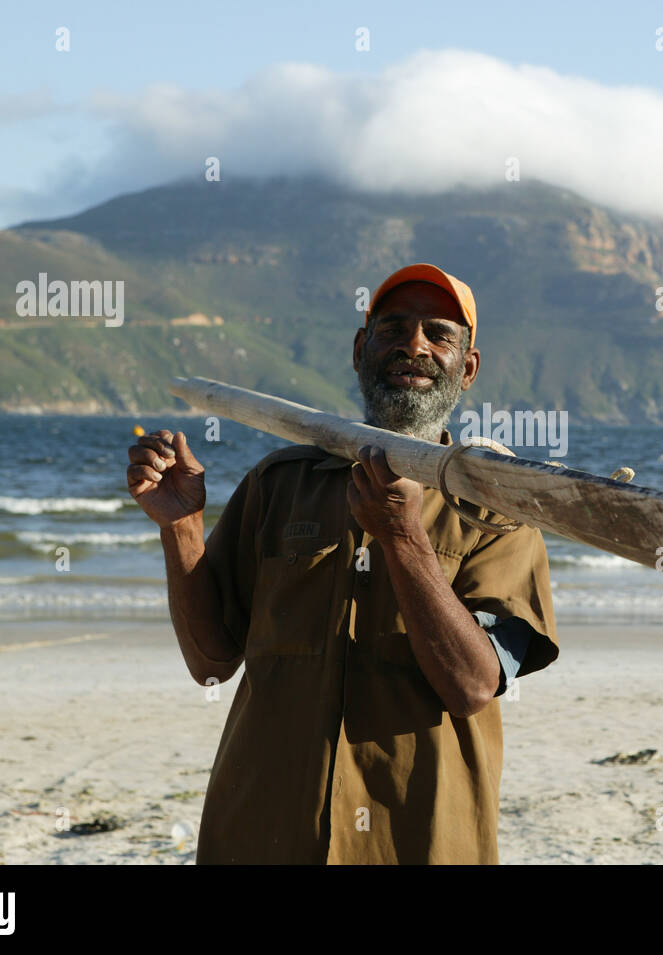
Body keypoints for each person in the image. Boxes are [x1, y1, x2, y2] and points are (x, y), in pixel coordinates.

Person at [126, 263, 558, 864]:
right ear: (361, 349)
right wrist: (181, 527)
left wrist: (403, 540)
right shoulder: (280, 484)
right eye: (393, 329)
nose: (414, 345)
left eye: (439, 333)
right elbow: (210, 662)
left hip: (416, 841)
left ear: (468, 369)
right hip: (262, 832)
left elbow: (472, 685)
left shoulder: (497, 513)